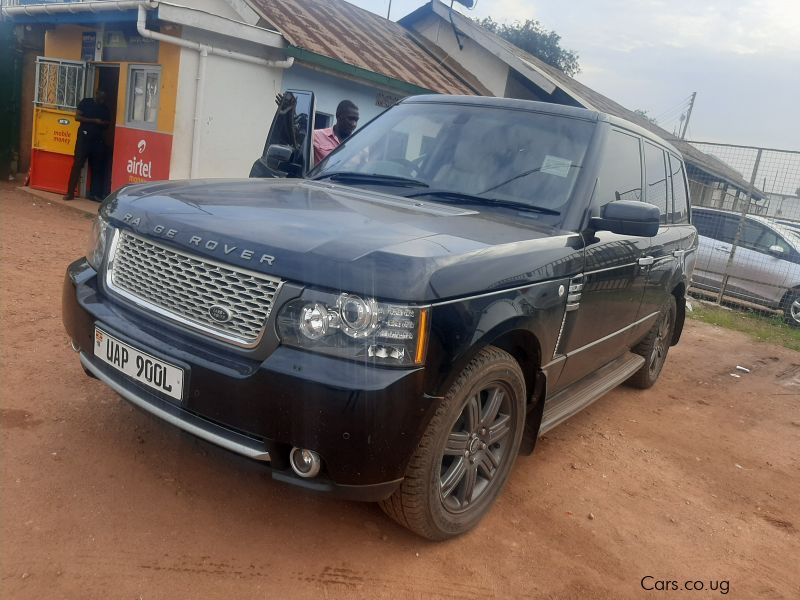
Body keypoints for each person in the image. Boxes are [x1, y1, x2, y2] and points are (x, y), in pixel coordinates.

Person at [64, 89, 111, 201]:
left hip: (97, 140)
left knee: (97, 167)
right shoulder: (86, 102)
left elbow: (108, 123)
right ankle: (70, 193)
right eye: (101, 98)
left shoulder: (105, 108)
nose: (102, 100)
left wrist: (102, 123)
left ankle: (95, 194)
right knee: (77, 164)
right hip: (84, 139)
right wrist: (94, 121)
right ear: (96, 94)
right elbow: (77, 117)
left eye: (104, 99)